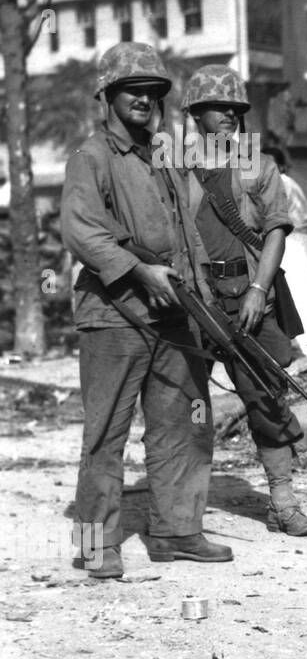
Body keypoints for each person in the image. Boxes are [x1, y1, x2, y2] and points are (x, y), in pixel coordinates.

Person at [60, 43, 231, 578]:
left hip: (173, 310)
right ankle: (96, 546)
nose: (144, 99)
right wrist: (139, 271)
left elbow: (186, 232)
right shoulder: (91, 157)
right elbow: (81, 231)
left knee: (184, 424)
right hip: (114, 314)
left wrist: (202, 296)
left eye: (153, 91)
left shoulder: (164, 154)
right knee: (105, 435)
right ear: (108, 95)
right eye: (132, 90)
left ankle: (177, 531)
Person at [180, 65, 307, 537]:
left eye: (235, 108)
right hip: (194, 299)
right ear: (196, 113)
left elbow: (277, 229)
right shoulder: (175, 168)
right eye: (218, 108)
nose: (229, 115)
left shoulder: (258, 165)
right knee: (183, 403)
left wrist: (259, 290)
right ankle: (181, 510)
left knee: (267, 396)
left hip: (248, 293)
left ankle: (283, 502)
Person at [264, 146, 307, 361]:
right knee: (295, 292)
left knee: (299, 293)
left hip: (293, 242)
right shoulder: (278, 182)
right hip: (294, 240)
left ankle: (306, 346)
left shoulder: (283, 183)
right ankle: (298, 343)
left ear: (280, 166)